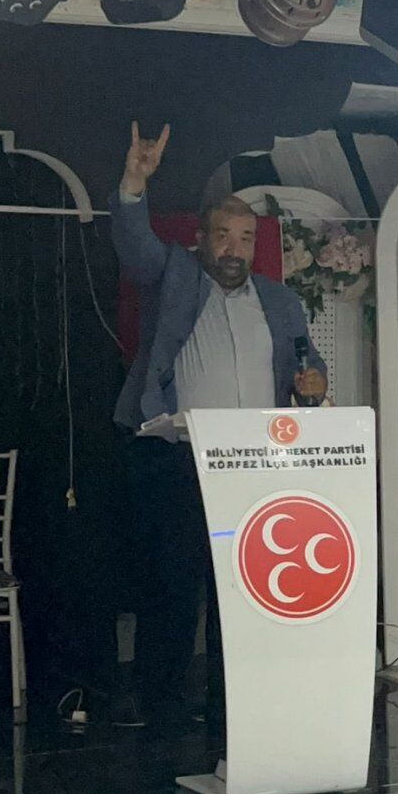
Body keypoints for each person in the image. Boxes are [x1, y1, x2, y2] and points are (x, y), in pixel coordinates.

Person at [111, 122, 327, 729]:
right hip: (179, 458)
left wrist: (314, 384)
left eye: (246, 238)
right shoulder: (174, 276)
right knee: (173, 589)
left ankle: (237, 707)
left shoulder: (280, 301)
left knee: (244, 590)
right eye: (224, 236)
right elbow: (135, 246)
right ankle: (159, 710)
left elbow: (307, 364)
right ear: (201, 239)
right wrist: (134, 183)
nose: (235, 248)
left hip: (256, 465)